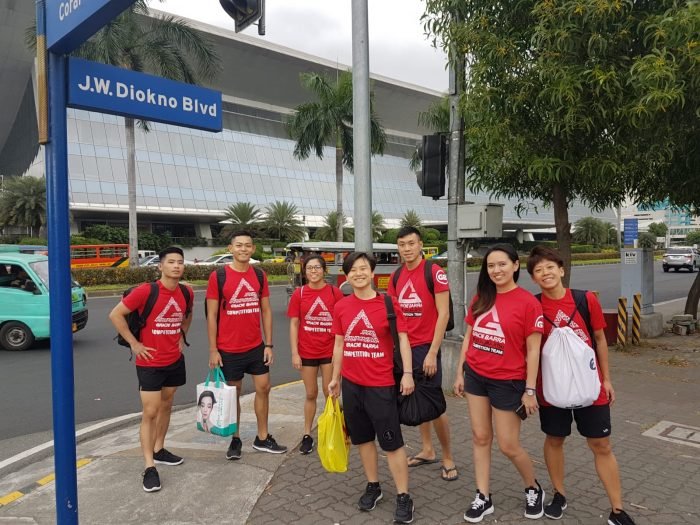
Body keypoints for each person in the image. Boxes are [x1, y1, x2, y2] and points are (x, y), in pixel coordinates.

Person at [526, 246, 637, 525]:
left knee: (601, 443)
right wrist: (528, 389)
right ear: (533, 279)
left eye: (550, 267)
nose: (545, 273)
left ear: (561, 270)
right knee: (554, 439)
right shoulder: (533, 305)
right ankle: (559, 494)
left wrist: (607, 379)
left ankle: (617, 509)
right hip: (551, 388)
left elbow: (599, 339)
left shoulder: (585, 299)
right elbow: (529, 349)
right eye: (538, 270)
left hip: (590, 385)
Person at [454, 244, 545, 522]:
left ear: (516, 266)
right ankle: (483, 496)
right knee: (480, 438)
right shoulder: (482, 297)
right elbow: (468, 337)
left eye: (502, 264)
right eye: (491, 266)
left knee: (508, 445)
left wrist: (530, 390)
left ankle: (533, 487)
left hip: (508, 382)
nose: (496, 270)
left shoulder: (529, 303)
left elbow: (533, 350)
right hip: (477, 377)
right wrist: (460, 372)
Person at [328, 252, 416, 524]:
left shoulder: (388, 304)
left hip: (381, 384)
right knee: (363, 440)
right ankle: (373, 485)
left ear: (373, 272)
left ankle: (404, 496)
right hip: (353, 386)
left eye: (363, 268)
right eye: (352, 270)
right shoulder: (342, 307)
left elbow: (403, 340)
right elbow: (339, 345)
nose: (358, 273)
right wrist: (335, 378)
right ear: (346, 275)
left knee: (391, 442)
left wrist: (408, 374)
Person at [108, 246, 193, 493]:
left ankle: (159, 449)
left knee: (167, 404)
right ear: (161, 266)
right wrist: (135, 344)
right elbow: (115, 314)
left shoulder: (186, 292)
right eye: (171, 262)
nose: (177, 266)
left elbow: (187, 314)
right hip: (150, 362)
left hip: (174, 359)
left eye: (180, 262)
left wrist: (181, 335)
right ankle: (149, 466)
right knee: (151, 412)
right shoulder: (148, 291)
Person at [206, 230, 287, 460]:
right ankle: (236, 438)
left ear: (253, 249)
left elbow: (266, 310)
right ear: (230, 249)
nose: (243, 249)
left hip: (255, 347)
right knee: (234, 394)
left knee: (264, 388)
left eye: (248, 245)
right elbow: (211, 315)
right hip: (228, 349)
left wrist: (268, 344)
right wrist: (213, 349)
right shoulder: (219, 276)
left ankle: (262, 438)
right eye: (239, 245)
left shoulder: (259, 275)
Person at [388, 226, 457, 481]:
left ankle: (448, 456)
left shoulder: (434, 272)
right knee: (416, 400)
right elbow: (393, 317)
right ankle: (427, 450)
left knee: (435, 406)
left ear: (420, 246)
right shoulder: (396, 277)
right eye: (402, 244)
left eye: (411, 243)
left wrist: (432, 352)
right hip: (405, 349)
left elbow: (444, 314)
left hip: (426, 348)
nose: (406, 248)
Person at [287, 254, 344, 455]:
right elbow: (294, 324)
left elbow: (342, 321)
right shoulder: (299, 294)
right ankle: (307, 434)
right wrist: (295, 352)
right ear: (305, 271)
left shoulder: (334, 293)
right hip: (307, 351)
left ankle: (334, 430)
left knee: (330, 393)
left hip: (329, 352)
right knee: (310, 393)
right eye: (309, 268)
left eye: (317, 268)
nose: (313, 271)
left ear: (324, 270)